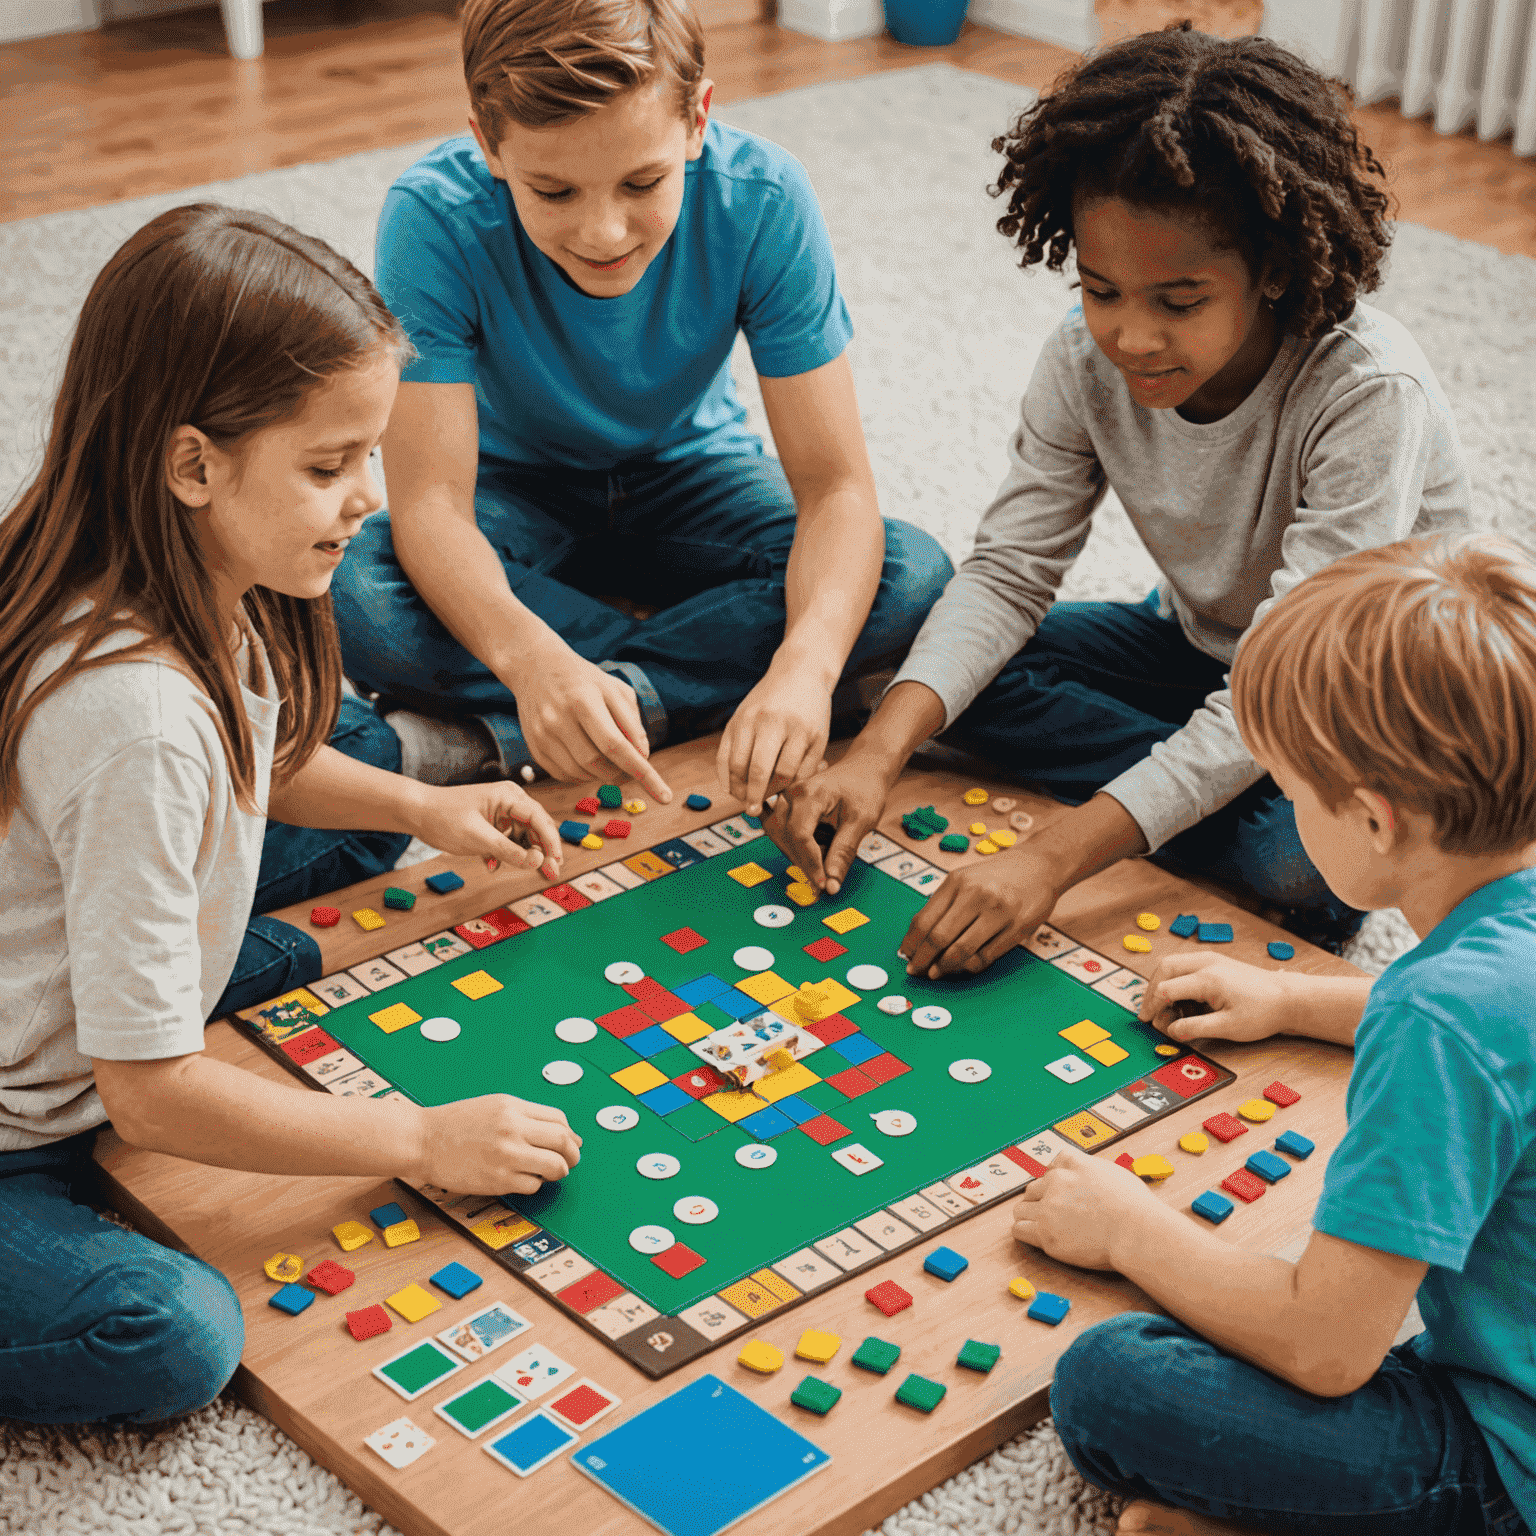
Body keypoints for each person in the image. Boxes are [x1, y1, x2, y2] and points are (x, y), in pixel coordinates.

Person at [0, 205, 583, 1428]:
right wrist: (417, 1140)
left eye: (370, 453)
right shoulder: (136, 725)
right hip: (31, 1116)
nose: (370, 497)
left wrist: (428, 805)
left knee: (358, 790)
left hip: (65, 958)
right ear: (192, 463)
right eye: (328, 466)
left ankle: (258, 935)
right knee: (167, 1336)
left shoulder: (183, 568)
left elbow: (261, 757)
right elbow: (151, 1093)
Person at [767, 23, 1471, 969]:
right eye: (1102, 290)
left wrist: (1054, 857)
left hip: (1357, 705)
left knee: (1299, 861)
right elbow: (1010, 573)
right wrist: (875, 758)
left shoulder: (1367, 393)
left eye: (1178, 303)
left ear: (1271, 272)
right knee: (900, 667)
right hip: (1197, 645)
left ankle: (1183, 796)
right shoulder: (1079, 356)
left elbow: (1283, 683)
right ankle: (1185, 787)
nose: (1131, 337)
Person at [1017, 532, 1536, 1536]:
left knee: (1113, 1384)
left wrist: (1129, 1225)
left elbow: (1326, 1346)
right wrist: (1293, 1000)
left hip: (1508, 1457)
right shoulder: (1483, 964)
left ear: (1376, 823)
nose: (1288, 819)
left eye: (1292, 797)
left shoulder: (1440, 1018)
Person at [331, 0, 953, 815]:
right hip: (511, 492)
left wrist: (804, 669)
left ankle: (504, 738)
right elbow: (433, 506)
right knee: (358, 590)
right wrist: (530, 664)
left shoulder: (761, 199)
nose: (603, 231)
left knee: (912, 572)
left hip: (694, 475)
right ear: (488, 143)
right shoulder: (432, 217)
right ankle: (679, 686)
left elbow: (836, 488)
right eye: (552, 190)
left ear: (697, 120)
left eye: (643, 182)